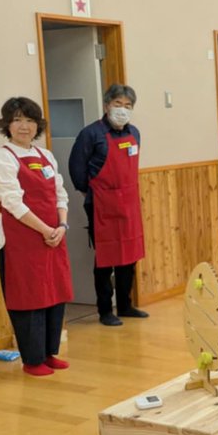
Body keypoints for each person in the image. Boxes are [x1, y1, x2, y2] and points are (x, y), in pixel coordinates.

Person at [0, 97, 73, 377]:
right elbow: (13, 203)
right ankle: (32, 360)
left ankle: (48, 353)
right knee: (28, 296)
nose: (24, 126)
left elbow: (60, 194)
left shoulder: (46, 155)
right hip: (22, 239)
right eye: (18, 120)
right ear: (7, 125)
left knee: (54, 293)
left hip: (54, 234)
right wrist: (45, 230)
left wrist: (62, 225)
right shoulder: (3, 159)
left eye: (30, 120)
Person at [67, 84, 146, 327]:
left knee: (129, 256)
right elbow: (77, 169)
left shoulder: (134, 133)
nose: (122, 110)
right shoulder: (91, 134)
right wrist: (91, 192)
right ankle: (105, 310)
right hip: (101, 203)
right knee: (105, 258)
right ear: (106, 105)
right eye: (117, 104)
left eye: (127, 106)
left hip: (129, 202)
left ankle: (125, 305)